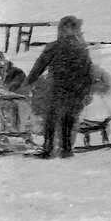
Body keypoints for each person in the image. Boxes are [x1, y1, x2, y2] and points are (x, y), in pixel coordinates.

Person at [23, 15, 92, 158]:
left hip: (69, 89)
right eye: (66, 28)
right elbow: (39, 66)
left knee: (63, 118)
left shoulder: (77, 48)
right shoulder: (72, 47)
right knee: (56, 118)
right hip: (62, 89)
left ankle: (60, 149)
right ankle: (54, 149)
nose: (68, 31)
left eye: (71, 28)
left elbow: (87, 72)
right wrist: (29, 82)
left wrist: (86, 91)